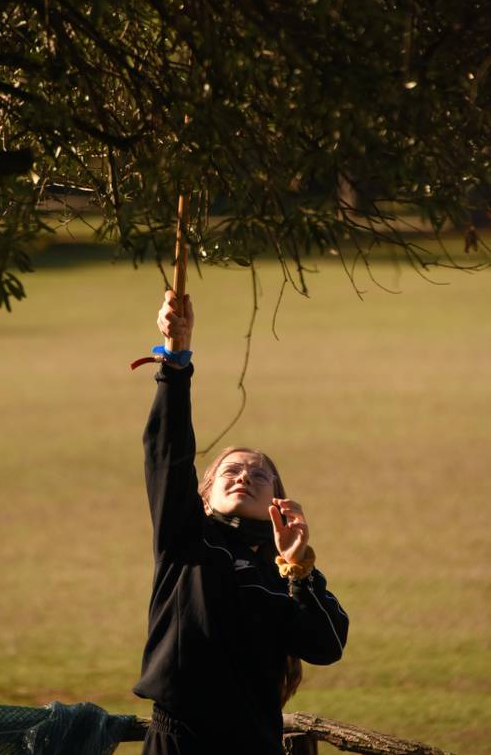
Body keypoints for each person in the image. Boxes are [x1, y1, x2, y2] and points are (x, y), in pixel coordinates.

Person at [134, 291, 349, 755]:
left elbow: (327, 646)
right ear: (205, 493)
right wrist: (175, 360)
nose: (244, 477)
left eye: (259, 475)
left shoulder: (286, 574)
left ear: (278, 499)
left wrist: (299, 569)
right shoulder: (187, 537)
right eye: (230, 471)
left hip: (254, 744)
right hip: (178, 741)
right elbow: (168, 455)